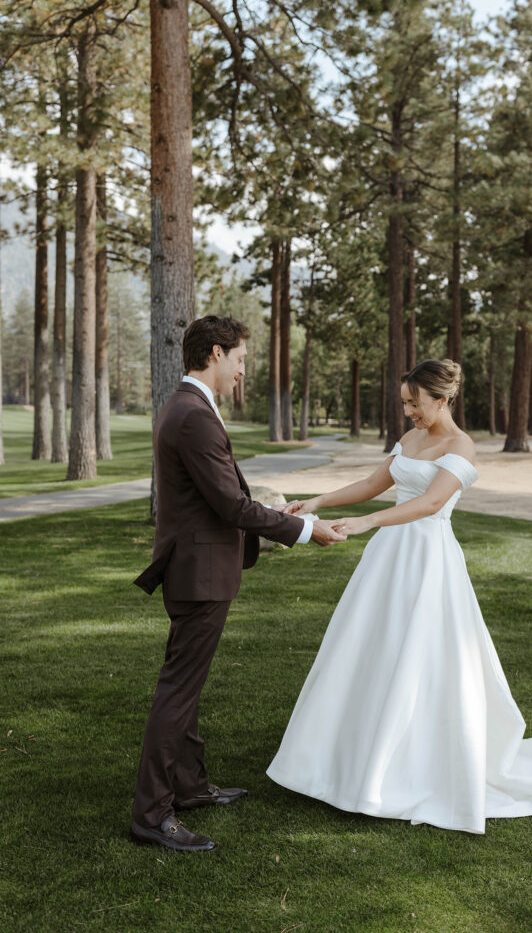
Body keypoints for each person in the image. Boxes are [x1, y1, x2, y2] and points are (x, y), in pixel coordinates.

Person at [267, 358, 532, 833]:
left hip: (428, 559)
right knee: (370, 646)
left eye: (414, 403)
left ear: (441, 399)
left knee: (424, 655)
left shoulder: (461, 447)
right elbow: (372, 484)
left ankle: (412, 760)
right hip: (388, 560)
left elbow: (431, 502)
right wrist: (314, 502)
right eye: (404, 403)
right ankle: (349, 754)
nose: (408, 413)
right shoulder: (409, 440)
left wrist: (366, 522)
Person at [131, 315, 345, 852]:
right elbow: (228, 505)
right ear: (216, 354)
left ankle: (190, 786)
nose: (244, 370)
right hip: (198, 574)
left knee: (187, 686)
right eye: (241, 360)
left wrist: (270, 509)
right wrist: (303, 529)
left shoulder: (187, 407)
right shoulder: (193, 414)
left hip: (197, 568)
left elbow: (217, 496)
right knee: (177, 692)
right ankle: (152, 815)